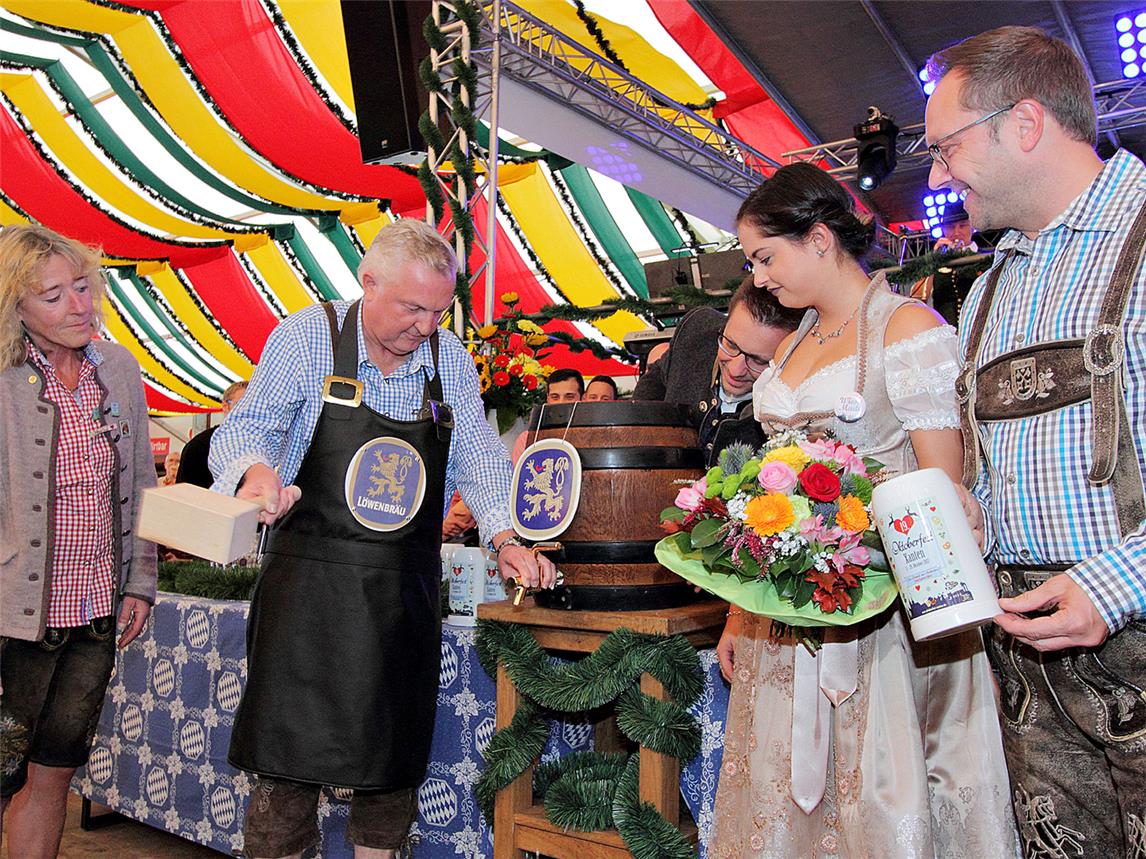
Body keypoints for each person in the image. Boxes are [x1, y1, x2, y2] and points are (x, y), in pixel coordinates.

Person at [209, 219, 555, 859]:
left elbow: (477, 458)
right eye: (412, 308)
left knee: (390, 766)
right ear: (367, 281)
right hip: (306, 595)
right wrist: (258, 477)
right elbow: (246, 429)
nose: (425, 327)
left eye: (438, 311)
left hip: (401, 599)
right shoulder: (307, 338)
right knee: (286, 769)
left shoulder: (445, 358)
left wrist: (505, 536)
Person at [707, 163, 1016, 857]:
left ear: (819, 239)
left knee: (880, 795)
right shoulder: (790, 344)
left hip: (885, 624)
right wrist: (739, 610)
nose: (758, 278)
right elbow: (767, 492)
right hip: (785, 625)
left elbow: (943, 498)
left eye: (765, 256)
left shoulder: (906, 328)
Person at [926, 26, 1146, 856]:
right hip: (1023, 663)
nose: (938, 175)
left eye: (946, 148)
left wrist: (1114, 584)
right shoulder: (985, 291)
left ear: (1023, 124)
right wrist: (970, 515)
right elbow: (997, 466)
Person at [0, 224, 156, 858]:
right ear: (16, 305)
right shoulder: (5, 376)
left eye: (84, 287)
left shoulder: (116, 367)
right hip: (13, 617)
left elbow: (142, 478)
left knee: (54, 775)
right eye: (54, 294)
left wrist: (139, 580)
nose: (79, 305)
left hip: (93, 616)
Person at [633, 275, 801, 466]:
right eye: (730, 344)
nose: (736, 370)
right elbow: (651, 387)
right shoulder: (695, 332)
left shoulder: (793, 409)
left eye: (757, 360)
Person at [176, 379, 248, 488]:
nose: (248, 410)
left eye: (253, 404)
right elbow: (185, 495)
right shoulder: (199, 446)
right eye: (241, 404)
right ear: (225, 406)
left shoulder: (267, 445)